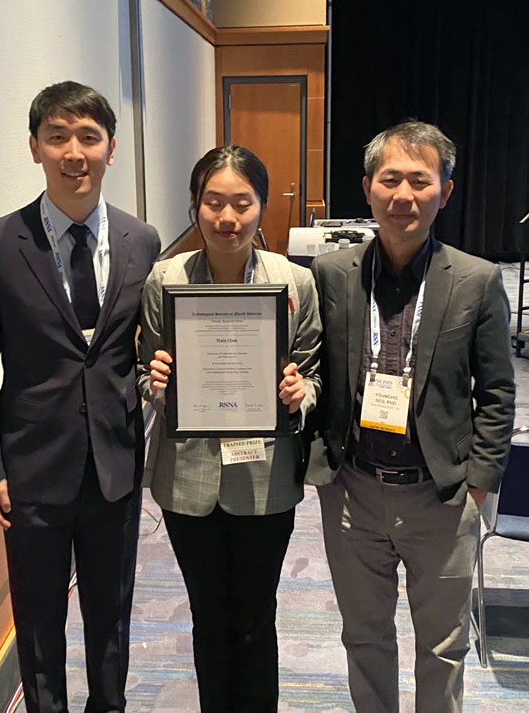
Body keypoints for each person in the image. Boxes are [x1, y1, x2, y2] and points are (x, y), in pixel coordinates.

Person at [0, 81, 160, 713]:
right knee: (39, 624)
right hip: (31, 470)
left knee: (113, 617)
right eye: (57, 137)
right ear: (34, 147)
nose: (74, 152)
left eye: (89, 138)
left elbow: (143, 348)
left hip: (115, 468)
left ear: (109, 150)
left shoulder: (142, 241)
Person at [307, 120, 515, 713]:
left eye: (419, 181)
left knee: (443, 647)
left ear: (444, 192)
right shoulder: (332, 273)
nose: (403, 195)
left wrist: (478, 482)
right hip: (353, 494)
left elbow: (498, 391)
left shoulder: (476, 280)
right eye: (390, 179)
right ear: (368, 187)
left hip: (441, 497)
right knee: (364, 638)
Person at [137, 145, 321, 713]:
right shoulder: (164, 280)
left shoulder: (293, 283)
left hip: (264, 479)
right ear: (194, 207)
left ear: (261, 207)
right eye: (213, 202)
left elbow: (314, 372)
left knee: (255, 617)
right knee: (208, 617)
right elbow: (144, 369)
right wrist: (156, 380)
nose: (227, 218)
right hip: (187, 481)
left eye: (242, 203)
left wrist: (299, 392)